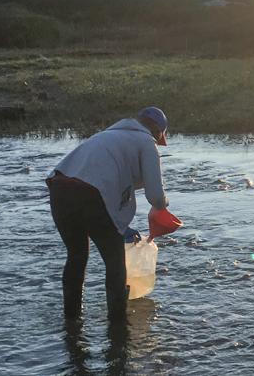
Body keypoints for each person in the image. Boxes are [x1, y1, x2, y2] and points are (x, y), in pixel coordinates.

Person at [46, 107, 169, 321]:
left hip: (59, 188)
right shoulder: (146, 142)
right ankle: (118, 327)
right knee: (114, 261)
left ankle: (71, 320)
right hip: (91, 195)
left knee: (76, 256)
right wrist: (163, 207)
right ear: (159, 133)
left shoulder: (106, 136)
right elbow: (156, 197)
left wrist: (119, 225)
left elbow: (101, 179)